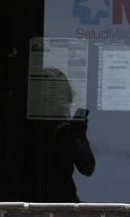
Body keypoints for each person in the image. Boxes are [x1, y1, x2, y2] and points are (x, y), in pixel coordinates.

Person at [37, 68, 95, 202]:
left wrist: (79, 134)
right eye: (60, 97)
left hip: (63, 198)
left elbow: (87, 167)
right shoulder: (38, 130)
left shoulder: (65, 130)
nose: (66, 104)